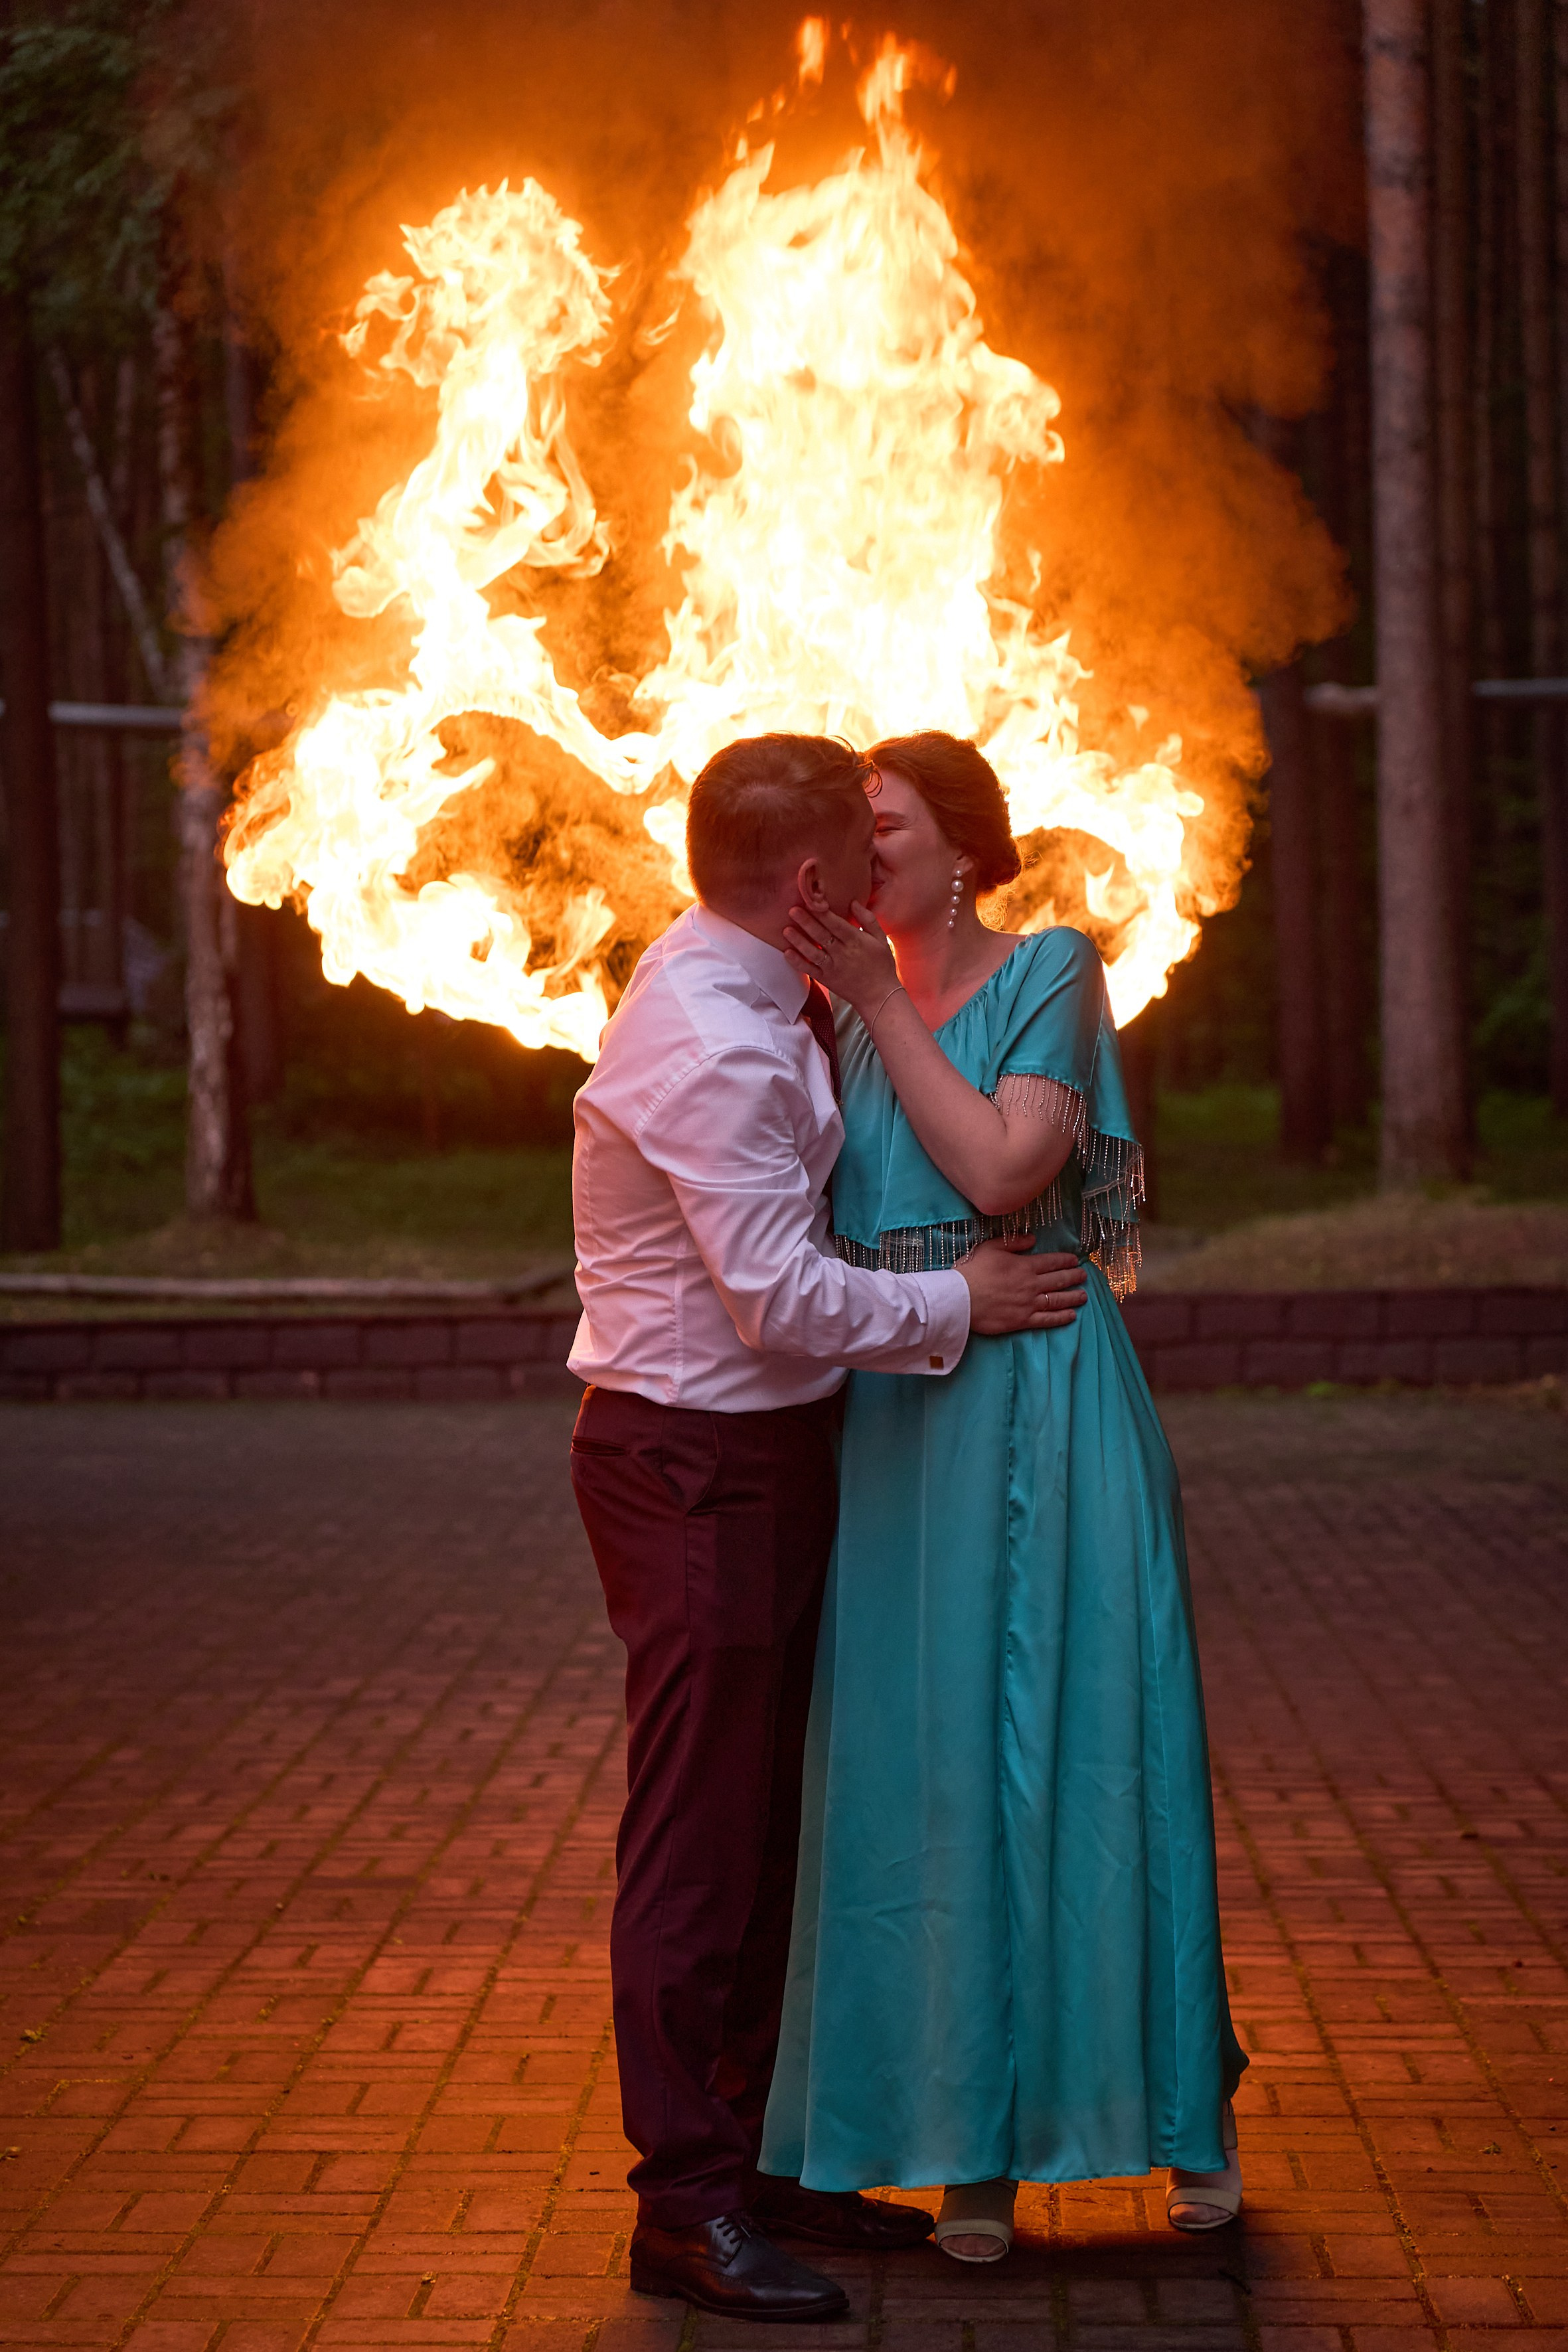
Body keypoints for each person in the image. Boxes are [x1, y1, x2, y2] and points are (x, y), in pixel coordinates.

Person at [566, 733, 1091, 2322]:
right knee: (697, 1839)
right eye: (859, 860)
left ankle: (754, 2152)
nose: (884, 881)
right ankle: (684, 2204)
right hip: (692, 1467)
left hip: (764, 1453)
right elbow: (776, 1294)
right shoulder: (710, 1039)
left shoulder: (735, 972)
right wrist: (963, 1296)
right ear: (809, 887)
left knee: (765, 1825)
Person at [760, 730, 1248, 2258]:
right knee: (926, 1775)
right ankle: (960, 2141)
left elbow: (1001, 1166)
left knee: (1094, 1752)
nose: (856, 851)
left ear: (953, 847)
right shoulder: (829, 1019)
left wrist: (883, 1002)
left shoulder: (1050, 964)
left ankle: (1181, 2130)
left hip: (1043, 1396)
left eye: (881, 824)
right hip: (901, 1419)